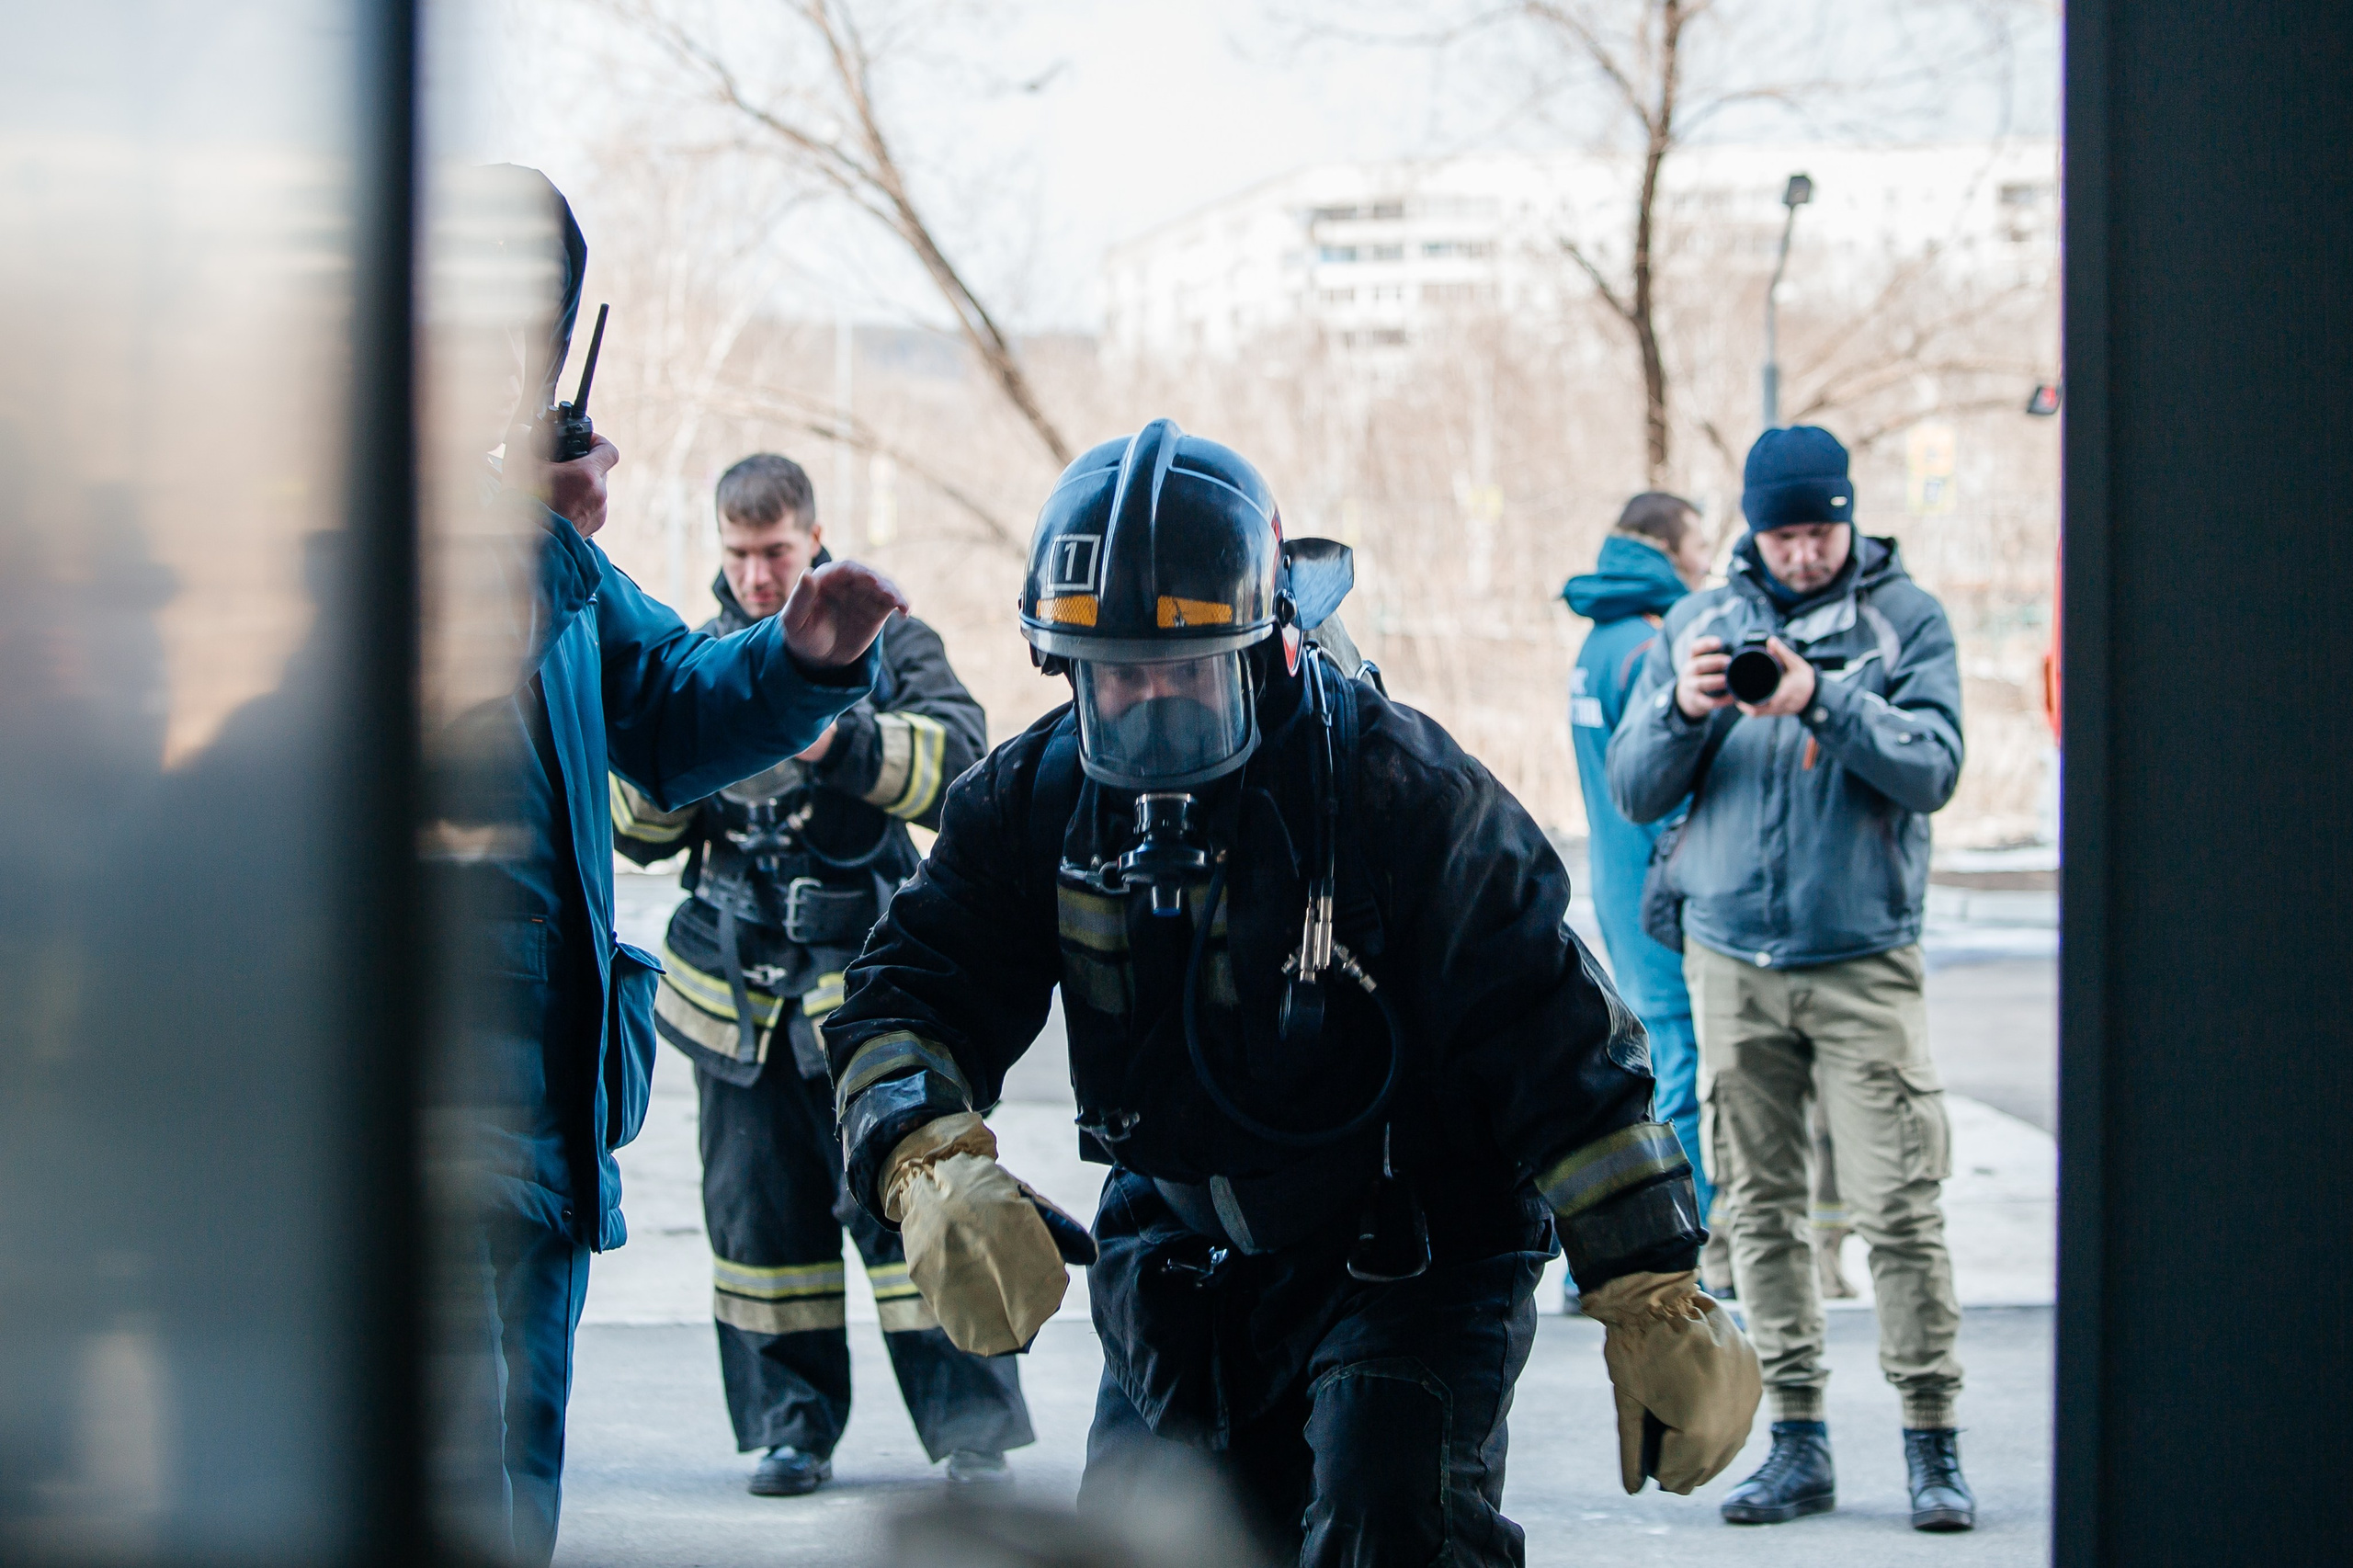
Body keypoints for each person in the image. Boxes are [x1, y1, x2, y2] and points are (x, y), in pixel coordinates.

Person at [820, 420, 1760, 1566]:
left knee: (1385, 1521)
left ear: (1270, 652)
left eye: (1183, 670)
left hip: (1410, 1248)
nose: (1148, 704)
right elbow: (906, 989)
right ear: (1062, 665)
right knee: (1148, 1544)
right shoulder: (1030, 798)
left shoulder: (1402, 792)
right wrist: (925, 1156)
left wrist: (1649, 1281)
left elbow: (1559, 1047)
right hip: (1178, 1251)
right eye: (1114, 675)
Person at [436, 170, 908, 1566]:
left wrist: (806, 660)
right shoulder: (329, 530)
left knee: (508, 1482)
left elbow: (672, 710)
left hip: (533, 1131)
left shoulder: (542, 554)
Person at [610, 453, 1027, 1496]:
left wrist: (839, 738)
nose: (758, 576)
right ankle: (791, 1426)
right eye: (741, 555)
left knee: (918, 1207)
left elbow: (963, 768)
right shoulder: (695, 658)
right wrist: (686, 752)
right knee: (761, 1230)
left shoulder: (887, 639)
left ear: (814, 539)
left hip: (868, 996)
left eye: (777, 553)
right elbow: (633, 825)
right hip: (736, 1004)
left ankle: (970, 1430)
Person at [1607, 425, 1975, 1532]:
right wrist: (1682, 706)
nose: (1804, 551)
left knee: (1899, 1205)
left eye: (1819, 529)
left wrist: (1823, 696)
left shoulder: (1903, 619)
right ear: (1753, 528)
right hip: (1730, 958)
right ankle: (1797, 1441)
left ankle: (1931, 1441)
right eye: (1783, 531)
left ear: (1848, 517)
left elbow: (1934, 766)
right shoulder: (1702, 621)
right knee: (1755, 1212)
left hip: (1861, 958)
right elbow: (1631, 786)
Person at [1562, 493, 1718, 1283]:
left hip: (1618, 885)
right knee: (1680, 1066)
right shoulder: (1646, 649)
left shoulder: (1598, 643)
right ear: (1664, 548)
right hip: (1660, 890)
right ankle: (1681, 1248)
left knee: (1642, 1060)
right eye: (1699, 545)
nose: (1707, 561)